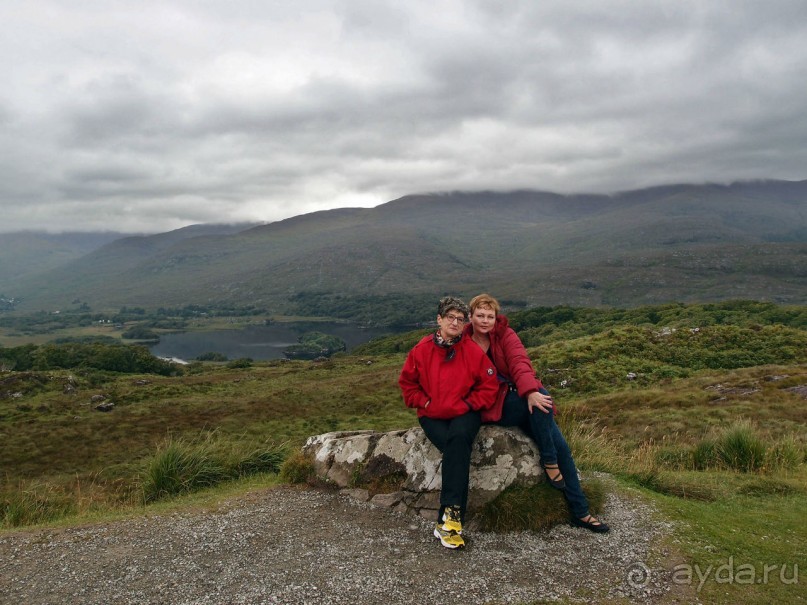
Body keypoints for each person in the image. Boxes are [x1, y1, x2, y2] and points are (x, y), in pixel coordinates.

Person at [465, 293, 610, 533]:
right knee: (542, 403)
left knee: (555, 432)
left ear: (495, 318)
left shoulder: (505, 335)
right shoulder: (463, 341)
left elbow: (520, 362)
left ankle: (581, 511)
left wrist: (530, 390)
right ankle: (550, 462)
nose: (485, 320)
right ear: (470, 316)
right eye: (479, 315)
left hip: (516, 399)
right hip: (490, 404)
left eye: (490, 316)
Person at [399, 296, 499, 549]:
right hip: (431, 415)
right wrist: (426, 403)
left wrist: (468, 405)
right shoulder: (420, 351)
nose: (456, 322)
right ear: (439, 320)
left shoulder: (472, 351)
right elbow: (408, 385)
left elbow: (489, 386)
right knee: (458, 452)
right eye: (450, 317)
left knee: (457, 442)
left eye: (460, 319)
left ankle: (451, 518)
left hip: (465, 413)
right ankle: (449, 521)